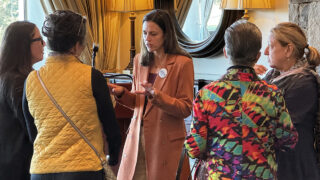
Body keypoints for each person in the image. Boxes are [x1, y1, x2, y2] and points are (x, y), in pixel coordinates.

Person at [185, 20, 298, 179]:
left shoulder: (206, 95)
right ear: (258, 56)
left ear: (225, 52)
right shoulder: (272, 94)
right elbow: (288, 140)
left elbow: (195, 148)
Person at [22, 10, 121, 180]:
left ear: (48, 42)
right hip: (84, 169)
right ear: (76, 45)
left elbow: (32, 131)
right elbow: (111, 126)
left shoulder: (32, 79)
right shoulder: (91, 76)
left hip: (42, 170)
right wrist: (113, 156)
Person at [109, 9, 194, 180]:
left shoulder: (182, 63)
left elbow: (185, 108)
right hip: (137, 138)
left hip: (164, 141)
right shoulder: (140, 60)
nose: (147, 39)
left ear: (166, 35)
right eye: (145, 33)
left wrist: (157, 96)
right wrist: (121, 93)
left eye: (153, 34)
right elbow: (138, 103)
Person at [256, 22, 320, 180]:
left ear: (288, 50)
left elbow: (265, 121)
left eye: (270, 46)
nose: (265, 52)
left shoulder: (305, 82)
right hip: (277, 164)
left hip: (294, 167)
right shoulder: (273, 75)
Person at [0, 21, 45, 180]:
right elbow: (32, 124)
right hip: (18, 166)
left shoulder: (9, 76)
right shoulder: (18, 81)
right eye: (39, 39)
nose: (44, 44)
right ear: (23, 45)